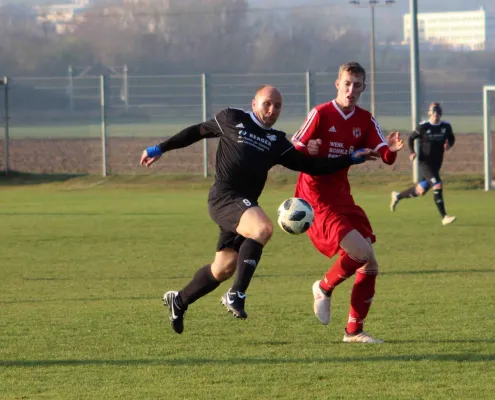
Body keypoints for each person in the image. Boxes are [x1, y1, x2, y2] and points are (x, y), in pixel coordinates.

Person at [139, 85, 380, 334]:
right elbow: (196, 132)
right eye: (267, 103)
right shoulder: (232, 119)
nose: (272, 109)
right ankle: (236, 294)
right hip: (224, 197)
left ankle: (179, 301)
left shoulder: (277, 142)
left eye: (277, 106)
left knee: (223, 267)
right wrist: (160, 148)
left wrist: (350, 158)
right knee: (263, 228)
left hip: (243, 206)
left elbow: (313, 166)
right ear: (254, 104)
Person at [292, 62, 404, 344]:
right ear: (337, 84)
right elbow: (294, 147)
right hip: (315, 195)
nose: (351, 90)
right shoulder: (320, 113)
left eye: (357, 85)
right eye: (347, 84)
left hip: (341, 194)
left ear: (363, 88)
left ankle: (354, 331)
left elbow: (383, 152)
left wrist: (390, 151)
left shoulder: (365, 120)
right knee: (361, 253)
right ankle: (323, 287)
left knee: (370, 265)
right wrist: (308, 149)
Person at [390, 102, 456, 226]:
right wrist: (412, 152)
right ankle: (444, 217)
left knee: (420, 190)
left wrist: (449, 145)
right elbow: (411, 138)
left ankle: (398, 196)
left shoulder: (446, 127)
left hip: (437, 163)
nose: (436, 115)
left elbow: (452, 138)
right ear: (429, 113)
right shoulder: (423, 127)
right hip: (425, 162)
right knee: (437, 185)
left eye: (438, 112)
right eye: (434, 112)